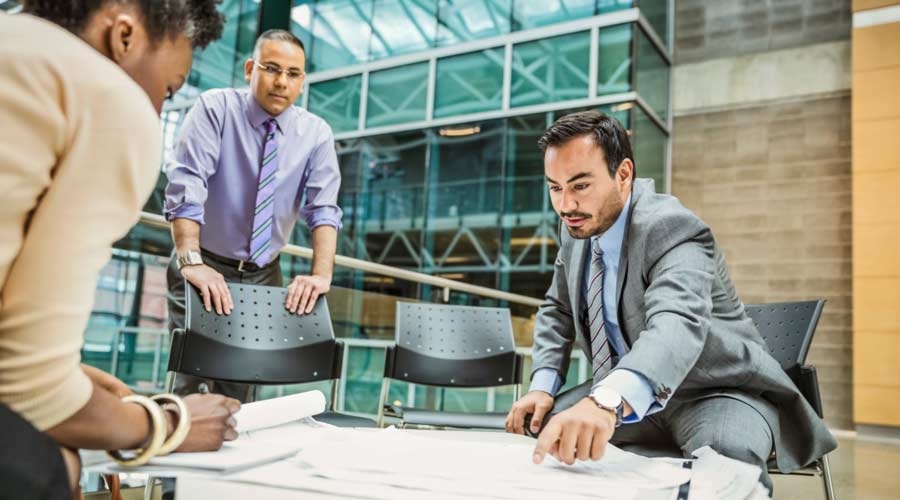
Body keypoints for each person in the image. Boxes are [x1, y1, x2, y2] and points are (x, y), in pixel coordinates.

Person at [504, 111, 837, 493]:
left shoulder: (673, 227)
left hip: (715, 391)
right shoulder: (576, 229)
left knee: (726, 468)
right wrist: (543, 386)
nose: (565, 205)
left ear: (624, 174)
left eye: (580, 185)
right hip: (626, 396)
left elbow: (676, 322)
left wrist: (605, 402)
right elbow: (557, 310)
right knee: (545, 432)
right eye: (555, 188)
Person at [0, 2, 239, 498]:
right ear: (123, 35)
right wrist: (166, 422)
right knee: (52, 464)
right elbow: (32, 395)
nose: (156, 111)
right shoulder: (108, 98)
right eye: (168, 91)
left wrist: (71, 376)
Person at [163, 29, 343, 403]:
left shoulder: (315, 135)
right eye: (271, 68)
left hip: (263, 274)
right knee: (191, 383)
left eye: (293, 74)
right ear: (250, 68)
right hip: (202, 264)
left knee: (241, 390)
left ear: (302, 81)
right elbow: (187, 183)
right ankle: (172, 455)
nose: (281, 82)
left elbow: (324, 208)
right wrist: (191, 260)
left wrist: (321, 275)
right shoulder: (216, 109)